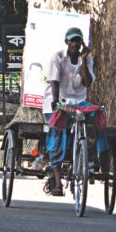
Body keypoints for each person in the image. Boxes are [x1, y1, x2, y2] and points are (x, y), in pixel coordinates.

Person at [44, 28, 95, 196]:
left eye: (77, 41)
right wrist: (56, 102)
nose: (74, 44)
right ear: (66, 42)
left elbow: (87, 83)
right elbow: (54, 81)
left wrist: (84, 62)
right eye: (72, 40)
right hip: (58, 100)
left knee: (90, 128)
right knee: (57, 132)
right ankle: (57, 181)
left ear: (82, 43)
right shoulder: (58, 57)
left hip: (78, 103)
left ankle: (82, 160)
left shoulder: (87, 59)